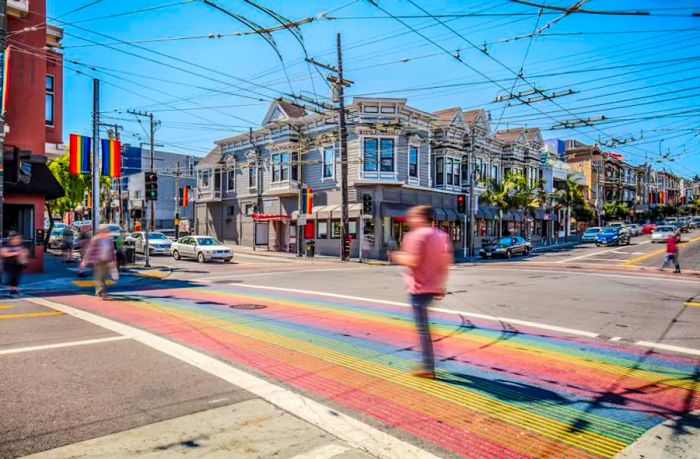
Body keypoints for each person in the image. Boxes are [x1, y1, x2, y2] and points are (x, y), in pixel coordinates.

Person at [390, 205, 453, 379]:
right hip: (434, 287)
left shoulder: (416, 235)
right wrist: (441, 286)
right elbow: (445, 263)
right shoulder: (441, 236)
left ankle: (427, 366)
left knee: (423, 329)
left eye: (412, 216)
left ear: (421, 217)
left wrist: (396, 256)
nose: (410, 219)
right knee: (425, 328)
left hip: (419, 288)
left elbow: (413, 260)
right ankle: (429, 363)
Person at [80, 227, 116, 299]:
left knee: (103, 277)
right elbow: (90, 251)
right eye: (105, 231)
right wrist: (85, 261)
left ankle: (99, 291)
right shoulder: (96, 239)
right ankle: (103, 293)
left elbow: (112, 251)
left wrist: (113, 261)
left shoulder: (109, 240)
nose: (106, 233)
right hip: (98, 261)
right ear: (101, 232)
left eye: (107, 231)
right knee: (100, 277)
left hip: (106, 261)